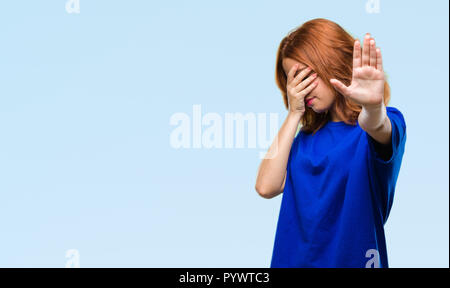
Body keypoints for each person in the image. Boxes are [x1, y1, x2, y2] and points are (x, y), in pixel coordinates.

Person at [255, 18, 407, 268]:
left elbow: (376, 125)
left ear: (332, 62)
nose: (302, 88)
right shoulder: (303, 141)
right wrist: (294, 113)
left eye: (307, 75)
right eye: (294, 80)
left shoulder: (381, 125)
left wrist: (372, 106)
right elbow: (265, 186)